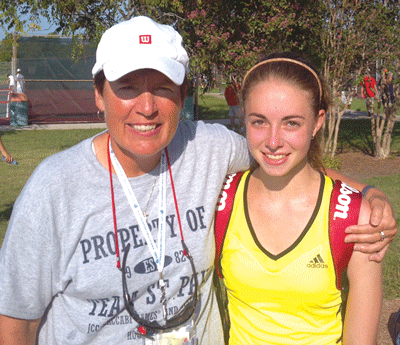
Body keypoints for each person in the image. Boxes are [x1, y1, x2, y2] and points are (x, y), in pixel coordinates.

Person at [0, 16, 395, 345]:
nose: (147, 107)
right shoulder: (52, 189)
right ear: (99, 95)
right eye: (127, 88)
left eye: (163, 88)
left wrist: (370, 193)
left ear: (184, 93)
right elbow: (16, 323)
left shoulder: (208, 147)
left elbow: (282, 157)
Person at [218, 52, 383, 344]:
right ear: (244, 117)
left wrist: (372, 195)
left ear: (317, 122)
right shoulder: (222, 199)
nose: (272, 141)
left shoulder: (354, 217)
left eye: (291, 123)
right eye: (259, 122)